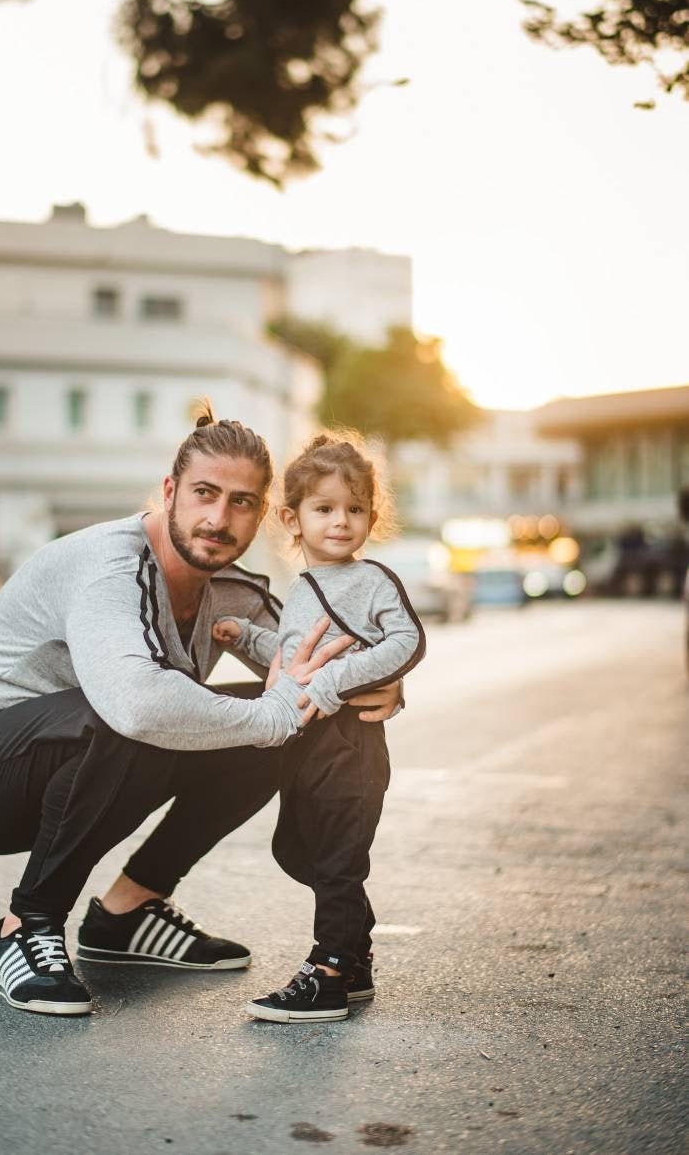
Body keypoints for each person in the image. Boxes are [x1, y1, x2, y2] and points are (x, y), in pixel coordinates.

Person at [0, 408, 402, 1017]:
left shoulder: (233, 590)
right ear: (170, 492)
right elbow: (136, 704)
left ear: (266, 514)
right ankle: (25, 927)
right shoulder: (109, 566)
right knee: (142, 707)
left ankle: (130, 913)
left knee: (311, 717)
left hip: (81, 769)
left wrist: (377, 685)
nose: (219, 519)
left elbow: (320, 664)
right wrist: (276, 715)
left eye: (242, 502)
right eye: (204, 493)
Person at [212, 432, 426, 1023]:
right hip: (304, 747)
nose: (341, 522)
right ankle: (353, 955)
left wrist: (338, 683)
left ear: (372, 518)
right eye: (325, 508)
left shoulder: (370, 580)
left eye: (355, 509)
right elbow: (292, 656)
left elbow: (406, 641)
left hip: (350, 746)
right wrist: (246, 638)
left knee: (337, 861)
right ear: (293, 518)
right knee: (296, 848)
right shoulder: (305, 585)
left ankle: (329, 970)